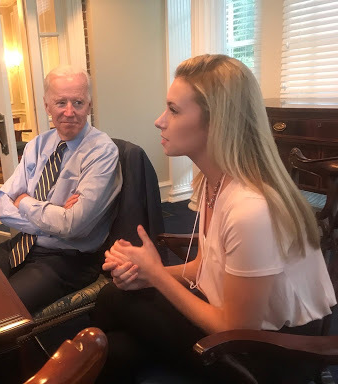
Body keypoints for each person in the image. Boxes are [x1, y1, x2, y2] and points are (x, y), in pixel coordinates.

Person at [93, 54, 337, 383]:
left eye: (174, 110)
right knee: (116, 349)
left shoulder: (251, 208)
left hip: (270, 353)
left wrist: (156, 275)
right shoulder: (214, 180)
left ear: (217, 123)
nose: (159, 121)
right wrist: (148, 274)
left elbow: (236, 330)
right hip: (237, 325)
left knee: (111, 299)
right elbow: (203, 268)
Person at [0, 66, 122, 314]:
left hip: (68, 259)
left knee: (4, 309)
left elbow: (72, 226)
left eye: (78, 102)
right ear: (47, 106)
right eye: (60, 102)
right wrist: (55, 214)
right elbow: (3, 205)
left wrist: (25, 202)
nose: (69, 111)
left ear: (90, 105)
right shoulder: (37, 145)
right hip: (24, 244)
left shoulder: (102, 151)